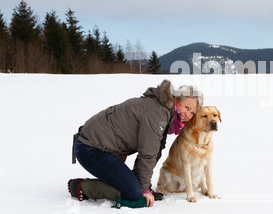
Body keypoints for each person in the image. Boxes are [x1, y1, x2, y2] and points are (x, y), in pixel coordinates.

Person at [68, 80, 204, 207]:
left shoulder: (165, 113)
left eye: (192, 113)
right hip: (91, 148)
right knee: (133, 193)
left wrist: (143, 184)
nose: (187, 114)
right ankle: (82, 187)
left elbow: (154, 151)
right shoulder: (158, 113)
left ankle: (137, 185)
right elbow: (148, 153)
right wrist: (143, 189)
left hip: (103, 147)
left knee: (136, 187)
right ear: (176, 99)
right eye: (186, 107)